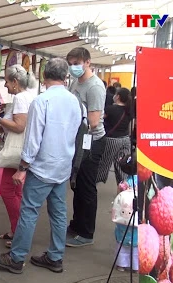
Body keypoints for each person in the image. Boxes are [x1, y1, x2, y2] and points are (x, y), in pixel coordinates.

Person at [0, 58, 82, 274]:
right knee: (58, 213)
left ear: (44, 75)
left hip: (42, 167)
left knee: (29, 211)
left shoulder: (42, 101)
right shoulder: (74, 101)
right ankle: (55, 257)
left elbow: (33, 139)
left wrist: (22, 168)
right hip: (62, 166)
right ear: (66, 76)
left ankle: (16, 258)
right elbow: (77, 132)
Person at [0, 64, 36, 248]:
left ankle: (18, 232)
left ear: (15, 82)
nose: (5, 85)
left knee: (7, 191)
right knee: (16, 191)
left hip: (17, 150)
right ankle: (17, 230)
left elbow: (19, 126)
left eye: (7, 81)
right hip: (24, 149)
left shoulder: (21, 99)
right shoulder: (29, 96)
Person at [66, 47, 107, 248]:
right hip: (77, 140)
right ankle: (76, 225)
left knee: (87, 187)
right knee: (77, 184)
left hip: (92, 142)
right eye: (71, 63)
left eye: (77, 63)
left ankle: (87, 233)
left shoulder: (95, 87)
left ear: (88, 62)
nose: (74, 67)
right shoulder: (76, 82)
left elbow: (92, 121)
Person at [97, 88, 133, 185]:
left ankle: (93, 183)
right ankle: (124, 186)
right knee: (122, 164)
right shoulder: (129, 111)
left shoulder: (110, 109)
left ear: (118, 96)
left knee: (104, 163)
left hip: (112, 140)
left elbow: (98, 120)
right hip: (125, 139)